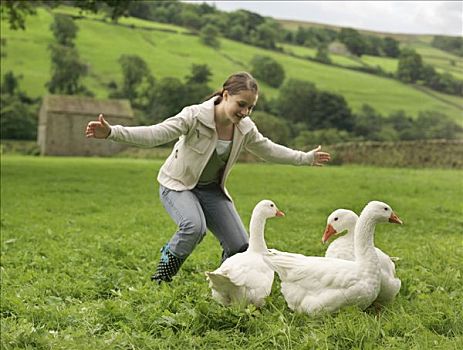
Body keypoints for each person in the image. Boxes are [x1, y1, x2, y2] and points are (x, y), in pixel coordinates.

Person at [85, 71, 331, 283]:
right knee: (194, 227)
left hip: (211, 190)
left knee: (239, 246)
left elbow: (268, 149)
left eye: (251, 107)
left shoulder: (245, 128)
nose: (245, 112)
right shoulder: (194, 116)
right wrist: (112, 132)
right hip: (178, 185)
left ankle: (225, 284)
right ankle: (162, 276)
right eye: (241, 104)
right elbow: (155, 134)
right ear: (225, 95)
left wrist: (305, 158)